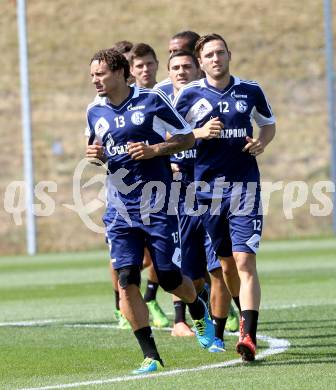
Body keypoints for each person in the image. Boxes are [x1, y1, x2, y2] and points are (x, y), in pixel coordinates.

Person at [86, 48, 214, 374]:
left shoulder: (151, 101)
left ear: (119, 72)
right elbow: (103, 152)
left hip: (158, 203)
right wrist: (96, 155)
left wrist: (154, 149)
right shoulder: (94, 112)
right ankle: (151, 356)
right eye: (92, 75)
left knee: (170, 277)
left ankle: (197, 308)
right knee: (127, 278)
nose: (95, 80)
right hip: (119, 207)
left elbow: (186, 138)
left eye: (100, 74)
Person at [174, 33, 276, 361]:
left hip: (245, 185)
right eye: (209, 55)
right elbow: (170, 136)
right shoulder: (189, 95)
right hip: (207, 191)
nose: (216, 59)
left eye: (221, 52)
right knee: (226, 264)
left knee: (245, 260)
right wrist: (198, 134)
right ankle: (235, 321)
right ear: (201, 62)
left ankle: (248, 335)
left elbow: (269, 124)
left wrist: (262, 142)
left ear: (229, 54)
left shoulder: (250, 90)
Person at [168, 50, 235, 350]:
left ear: (199, 69)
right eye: (175, 68)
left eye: (187, 67)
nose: (181, 72)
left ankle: (219, 336)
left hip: (211, 196)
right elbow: (159, 146)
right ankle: (198, 312)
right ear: (168, 74)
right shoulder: (161, 107)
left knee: (219, 268)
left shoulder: (216, 105)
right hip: (178, 203)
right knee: (190, 277)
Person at [127, 42, 170, 328]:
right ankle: (127, 304)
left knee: (171, 256)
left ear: (157, 64)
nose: (145, 69)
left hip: (170, 182)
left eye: (149, 64)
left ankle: (181, 306)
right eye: (139, 65)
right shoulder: (119, 103)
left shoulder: (166, 93)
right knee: (134, 258)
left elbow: (183, 133)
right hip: (131, 191)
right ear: (131, 70)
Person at [155, 31, 200, 96]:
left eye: (177, 51)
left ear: (196, 53)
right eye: (170, 52)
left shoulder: (213, 83)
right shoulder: (161, 91)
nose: (171, 56)